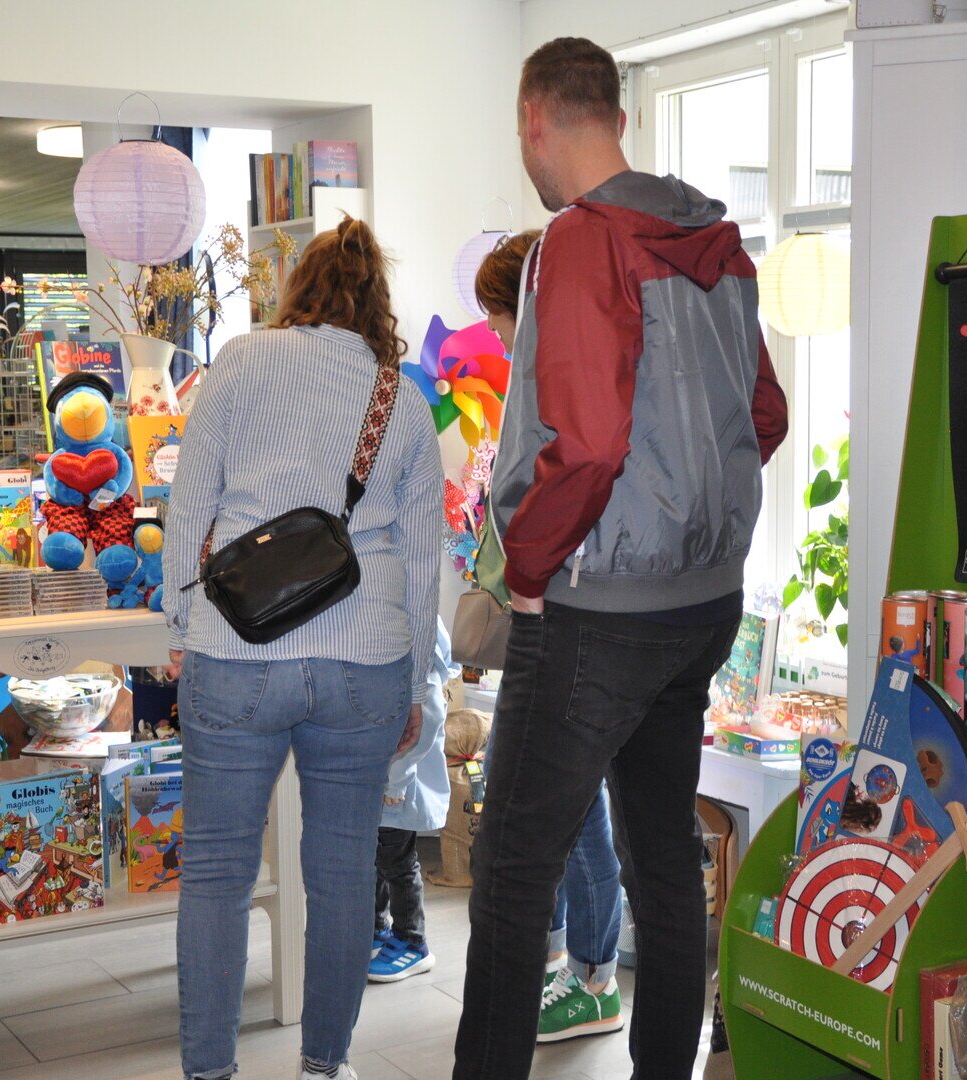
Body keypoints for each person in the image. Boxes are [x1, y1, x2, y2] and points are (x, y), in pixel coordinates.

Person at [454, 37, 788, 1080]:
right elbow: (765, 416)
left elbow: (589, 445)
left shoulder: (580, 242)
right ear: (619, 115)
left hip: (595, 610)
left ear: (536, 120)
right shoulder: (717, 242)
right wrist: (689, 505)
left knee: (514, 870)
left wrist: (528, 569)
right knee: (664, 862)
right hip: (703, 604)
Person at [160, 216, 443, 1080]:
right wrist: (417, 688)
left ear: (300, 291)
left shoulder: (240, 362)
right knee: (342, 871)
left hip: (236, 650)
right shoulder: (401, 397)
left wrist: (182, 624)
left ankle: (211, 1072)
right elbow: (424, 559)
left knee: (216, 873)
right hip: (365, 659)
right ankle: (326, 1066)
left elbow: (189, 504)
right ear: (376, 302)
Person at [475, 230, 628, 1043]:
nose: (495, 333)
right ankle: (569, 958)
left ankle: (597, 977)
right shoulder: (543, 371)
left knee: (578, 805)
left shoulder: (560, 369)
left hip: (573, 613)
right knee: (559, 798)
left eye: (497, 316)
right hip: (562, 612)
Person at [369, 618, 455, 984]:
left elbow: (421, 729)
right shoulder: (404, 640)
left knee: (397, 862)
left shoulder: (422, 668)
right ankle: (377, 928)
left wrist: (396, 783)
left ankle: (412, 941)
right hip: (387, 784)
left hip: (400, 788)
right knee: (375, 859)